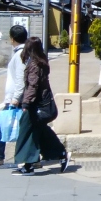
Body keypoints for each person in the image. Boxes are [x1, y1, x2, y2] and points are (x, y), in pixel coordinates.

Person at [13, 37, 68, 175]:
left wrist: (25, 103)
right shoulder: (41, 62)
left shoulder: (34, 65)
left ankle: (29, 165)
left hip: (36, 105)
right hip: (40, 104)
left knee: (29, 133)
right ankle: (60, 153)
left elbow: (33, 85)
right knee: (40, 131)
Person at [0, 23, 28, 166]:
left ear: (12, 39)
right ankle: (34, 157)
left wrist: (15, 98)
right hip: (19, 97)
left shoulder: (20, 55)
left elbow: (21, 79)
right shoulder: (24, 52)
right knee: (28, 126)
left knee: (0, 125)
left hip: (16, 99)